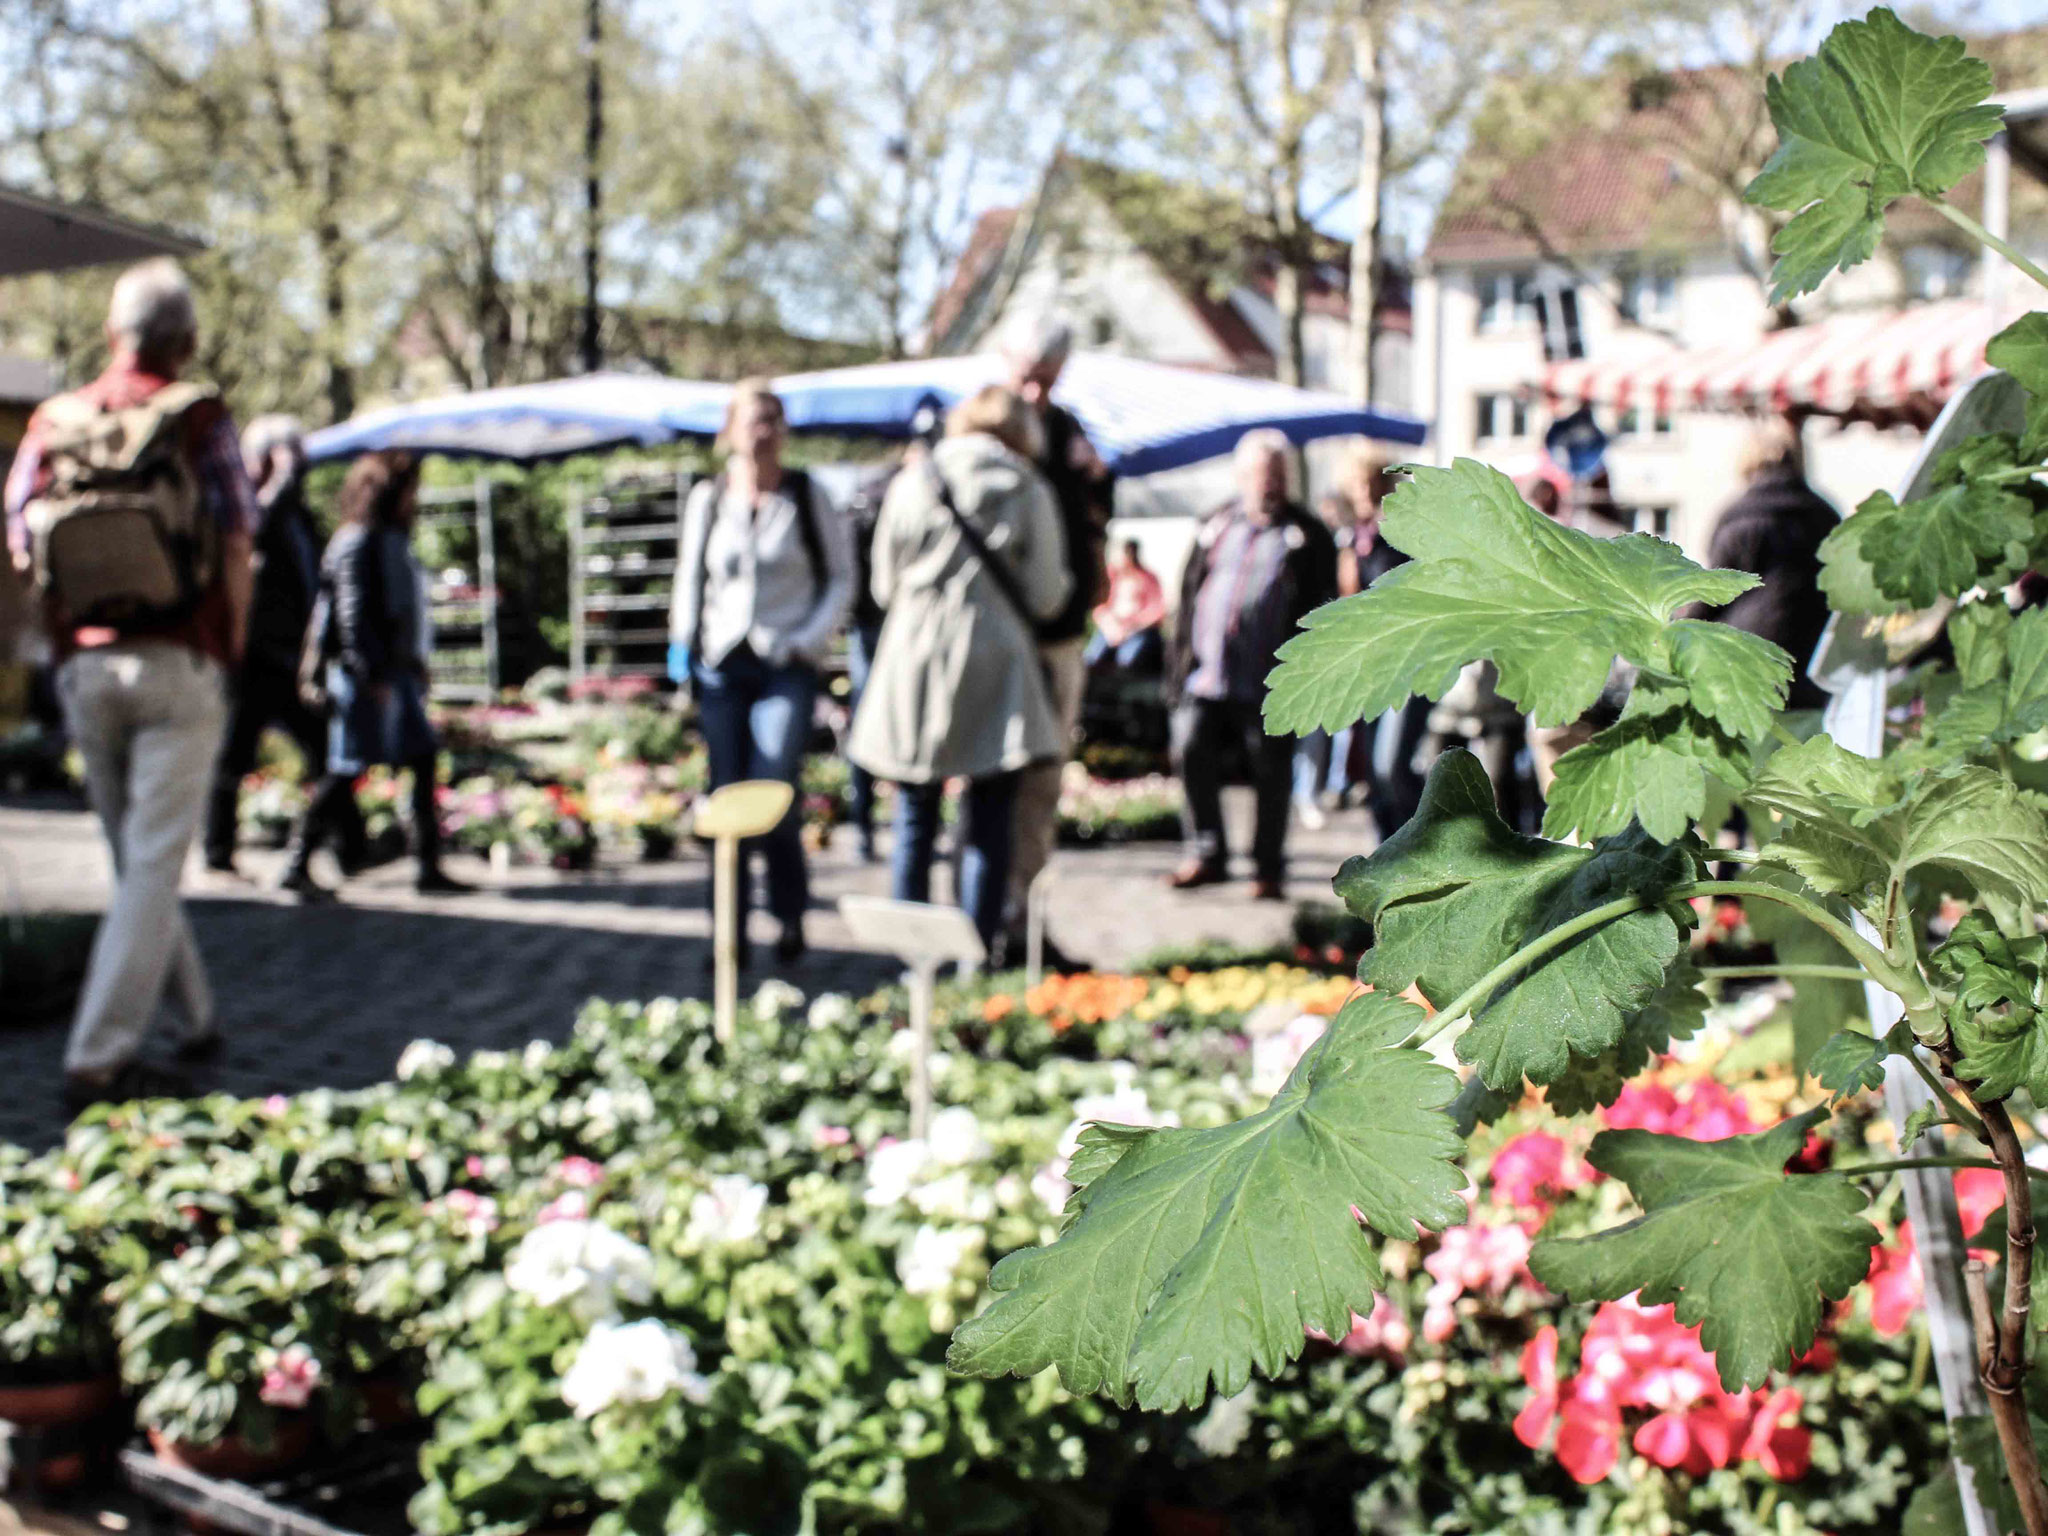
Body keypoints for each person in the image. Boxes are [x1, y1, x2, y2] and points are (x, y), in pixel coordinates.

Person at [3, 259, 255, 1109]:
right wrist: (234, 640)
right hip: (178, 659)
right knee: (150, 867)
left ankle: (196, 1019)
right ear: (185, 341)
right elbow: (236, 538)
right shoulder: (198, 419)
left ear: (114, 334)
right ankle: (99, 1058)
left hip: (83, 665)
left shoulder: (55, 421)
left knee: (133, 861)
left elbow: (17, 533)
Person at [847, 386, 1069, 949]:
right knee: (989, 819)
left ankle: (911, 959)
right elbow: (1046, 596)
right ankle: (976, 957)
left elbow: (881, 584)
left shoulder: (913, 482)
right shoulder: (1027, 487)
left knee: (915, 816)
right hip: (996, 657)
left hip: (914, 658)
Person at [669, 380, 854, 966]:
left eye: (773, 418)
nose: (764, 430)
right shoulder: (710, 497)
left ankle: (790, 915)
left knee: (774, 787)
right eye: (753, 418)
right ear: (730, 429)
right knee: (724, 794)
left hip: (784, 663)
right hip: (723, 663)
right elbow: (691, 578)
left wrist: (809, 639)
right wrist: (682, 649)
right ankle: (728, 930)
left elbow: (841, 577)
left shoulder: (806, 495)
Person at [280, 450, 471, 899]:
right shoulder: (357, 541)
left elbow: (399, 610)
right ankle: (296, 861)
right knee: (346, 768)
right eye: (409, 491)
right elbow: (353, 615)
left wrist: (411, 665)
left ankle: (428, 866)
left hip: (393, 673)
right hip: (368, 676)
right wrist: (373, 676)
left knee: (420, 758)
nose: (413, 500)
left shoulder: (384, 537)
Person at [1165, 429, 1338, 899]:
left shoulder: (1307, 534)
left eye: (1280, 475)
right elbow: (1188, 595)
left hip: (1270, 684)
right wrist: (1177, 666)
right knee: (1190, 750)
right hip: (1206, 675)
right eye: (1263, 475)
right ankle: (1206, 852)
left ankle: (1267, 867)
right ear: (1242, 477)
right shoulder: (1216, 524)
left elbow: (1326, 609)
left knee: (1271, 772)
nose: (1271, 485)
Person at [1001, 317, 1112, 963]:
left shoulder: (1071, 434)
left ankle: (1027, 928)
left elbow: (1097, 504)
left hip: (1060, 637)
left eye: (1048, 382)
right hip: (1002, 641)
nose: (1037, 396)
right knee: (994, 791)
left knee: (1041, 791)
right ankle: (987, 923)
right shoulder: (984, 431)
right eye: (1026, 380)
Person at [201, 415, 341, 874]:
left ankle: (341, 846)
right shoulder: (254, 508)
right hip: (256, 659)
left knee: (328, 754)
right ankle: (218, 851)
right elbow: (256, 525)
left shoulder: (298, 514)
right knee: (233, 757)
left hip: (295, 660)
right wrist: (280, 474)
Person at [1695, 421, 1839, 710]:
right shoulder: (1825, 516)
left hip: (1745, 660)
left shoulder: (1738, 517)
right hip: (1812, 664)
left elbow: (1714, 592)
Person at [843, 458, 899, 864]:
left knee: (866, 727)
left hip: (871, 626)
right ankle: (874, 826)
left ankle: (867, 827)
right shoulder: (894, 492)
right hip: (882, 627)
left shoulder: (864, 496)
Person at [1084, 538, 1166, 676]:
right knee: (1091, 657)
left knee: (1127, 660)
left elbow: (1157, 610)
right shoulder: (1112, 577)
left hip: (1137, 630)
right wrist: (1110, 625)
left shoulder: (1147, 578)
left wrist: (1132, 626)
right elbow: (1099, 606)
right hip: (1112, 627)